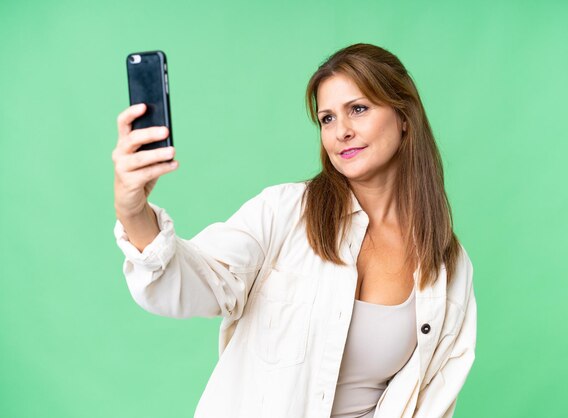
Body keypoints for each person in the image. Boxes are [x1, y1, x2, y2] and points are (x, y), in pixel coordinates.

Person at [112, 43, 477, 418]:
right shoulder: (283, 212)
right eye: (327, 119)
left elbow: (432, 400)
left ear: (404, 116)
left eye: (358, 109)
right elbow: (194, 280)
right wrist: (133, 211)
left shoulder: (448, 265)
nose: (342, 132)